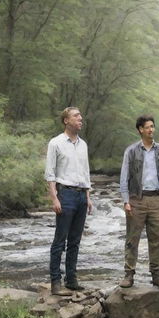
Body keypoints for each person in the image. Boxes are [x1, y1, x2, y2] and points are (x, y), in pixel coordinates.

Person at [119, 115, 159, 289]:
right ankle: (129, 274)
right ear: (140, 129)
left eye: (152, 127)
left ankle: (157, 275)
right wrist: (126, 200)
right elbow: (124, 178)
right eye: (148, 127)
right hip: (136, 200)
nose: (151, 130)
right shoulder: (131, 151)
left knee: (157, 239)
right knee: (132, 239)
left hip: (156, 199)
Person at [45, 107, 92, 294]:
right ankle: (55, 283)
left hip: (81, 195)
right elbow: (50, 173)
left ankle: (71, 279)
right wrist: (54, 198)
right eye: (76, 116)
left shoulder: (83, 145)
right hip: (65, 194)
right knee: (60, 240)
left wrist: (88, 197)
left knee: (75, 241)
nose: (80, 118)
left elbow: (86, 172)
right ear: (66, 121)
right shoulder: (55, 143)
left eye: (80, 116)